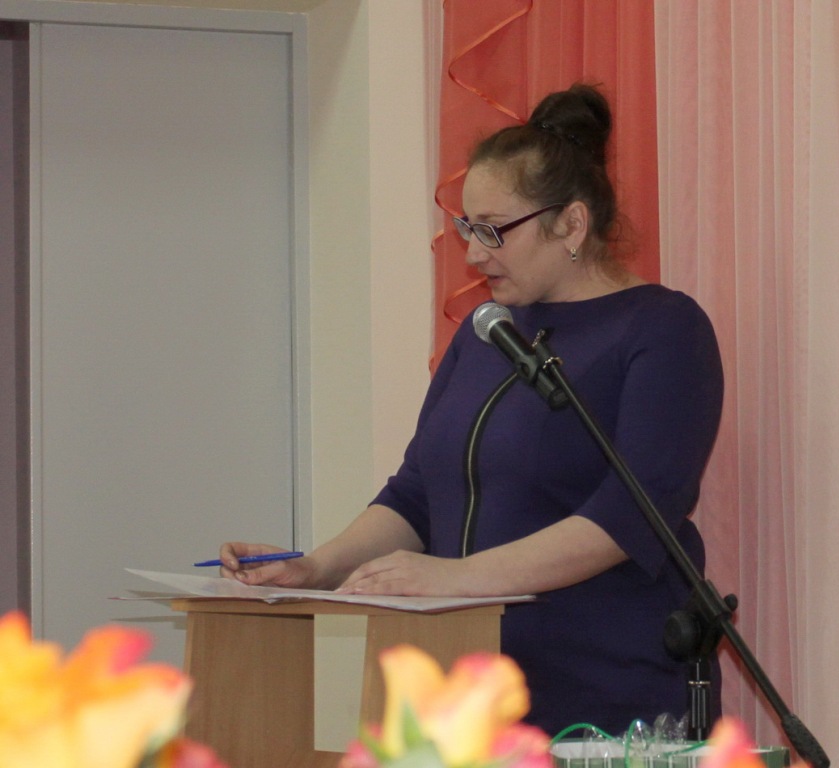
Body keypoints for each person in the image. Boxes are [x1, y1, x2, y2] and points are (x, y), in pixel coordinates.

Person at [218, 83, 724, 737]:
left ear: (571, 224)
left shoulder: (662, 329)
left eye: (492, 230)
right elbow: (417, 496)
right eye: (466, 228)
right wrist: (318, 567)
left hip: (601, 700)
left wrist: (457, 579)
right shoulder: (486, 333)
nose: (473, 253)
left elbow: (634, 515)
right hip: (460, 697)